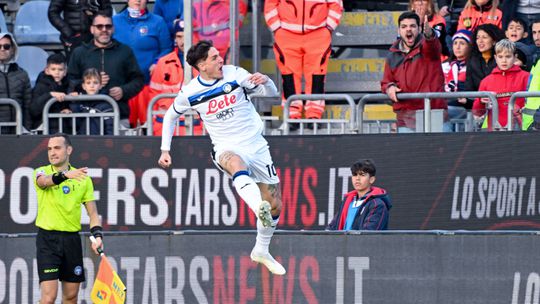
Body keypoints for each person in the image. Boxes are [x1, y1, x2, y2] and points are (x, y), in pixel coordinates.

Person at [158, 40, 286, 275]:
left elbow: (272, 95)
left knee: (276, 205)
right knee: (235, 163)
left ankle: (261, 249)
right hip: (226, 147)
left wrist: (266, 81)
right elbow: (170, 116)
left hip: (256, 144)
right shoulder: (190, 92)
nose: (221, 61)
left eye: (219, 56)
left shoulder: (235, 74)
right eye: (215, 58)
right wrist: (165, 149)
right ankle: (257, 206)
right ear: (202, 65)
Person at [34, 134, 103, 304]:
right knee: (49, 298)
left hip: (72, 241)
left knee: (71, 297)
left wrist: (98, 236)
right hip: (48, 241)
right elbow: (43, 182)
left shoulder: (83, 179)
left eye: (57, 148)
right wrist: (65, 175)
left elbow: (93, 213)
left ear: (69, 150)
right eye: (49, 149)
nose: (52, 152)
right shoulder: (41, 171)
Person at [264, 0, 343, 121]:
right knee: (289, 76)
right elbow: (270, 3)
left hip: (318, 33)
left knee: (317, 76)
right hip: (286, 34)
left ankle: (314, 114)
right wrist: (277, 28)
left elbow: (336, 4)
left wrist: (328, 28)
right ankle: (292, 114)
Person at [68, 13, 144, 129]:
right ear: (92, 29)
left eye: (108, 26)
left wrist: (123, 91)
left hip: (119, 115)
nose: (104, 30)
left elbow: (138, 79)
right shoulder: (79, 53)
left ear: (113, 29)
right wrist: (91, 83)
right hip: (85, 118)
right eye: (99, 26)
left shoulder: (125, 51)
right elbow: (70, 81)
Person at [381, 11, 450, 132]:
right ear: (399, 31)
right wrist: (389, 87)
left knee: (440, 151)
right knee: (410, 151)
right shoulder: (392, 54)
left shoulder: (428, 46)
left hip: (434, 113)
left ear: (419, 29)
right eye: (404, 26)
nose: (408, 30)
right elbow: (386, 81)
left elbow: (433, 47)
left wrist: (430, 35)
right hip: (406, 117)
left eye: (412, 26)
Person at [113, 0, 172, 127]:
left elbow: (167, 49)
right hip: (122, 87)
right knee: (123, 128)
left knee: (147, 128)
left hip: (147, 86)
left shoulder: (157, 22)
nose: (138, 0)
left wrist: (157, 62)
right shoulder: (114, 21)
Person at [148, 19, 203, 136]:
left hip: (196, 128)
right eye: (179, 36)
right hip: (165, 128)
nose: (183, 41)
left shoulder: (205, 63)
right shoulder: (163, 63)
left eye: (186, 36)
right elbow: (153, 97)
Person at [472, 39, 529, 130]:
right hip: (494, 132)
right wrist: (480, 101)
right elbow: (477, 113)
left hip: (521, 130)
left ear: (515, 57)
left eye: (508, 56)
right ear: (495, 58)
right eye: (500, 56)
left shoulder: (526, 77)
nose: (504, 60)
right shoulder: (486, 81)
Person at [327, 159, 392, 231]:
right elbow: (331, 229)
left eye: (362, 175)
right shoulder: (347, 201)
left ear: (372, 179)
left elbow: (367, 235)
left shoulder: (377, 204)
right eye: (354, 174)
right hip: (343, 242)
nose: (357, 178)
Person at [48, 0, 112, 60]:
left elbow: (108, 10)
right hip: (73, 37)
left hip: (94, 36)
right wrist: (68, 33)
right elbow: (53, 12)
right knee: (74, 67)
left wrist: (95, 14)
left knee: (95, 67)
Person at [30, 53, 72, 133]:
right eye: (53, 69)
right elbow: (33, 110)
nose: (57, 72)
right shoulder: (40, 86)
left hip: (64, 130)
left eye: (60, 69)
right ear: (47, 70)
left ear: (65, 72)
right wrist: (50, 95)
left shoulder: (69, 86)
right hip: (45, 131)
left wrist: (69, 109)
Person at [0, 32, 32, 133]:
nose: (2, 49)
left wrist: (26, 128)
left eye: (6, 46)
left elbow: (28, 104)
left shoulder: (22, 74)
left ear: (13, 49)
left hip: (17, 130)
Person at [442, 29, 473, 129]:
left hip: (465, 109)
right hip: (447, 107)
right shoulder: (444, 66)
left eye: (462, 43)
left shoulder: (473, 66)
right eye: (455, 43)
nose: (457, 46)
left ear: (470, 46)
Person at [70, 68, 114, 134]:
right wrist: (74, 102)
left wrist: (109, 142)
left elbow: (110, 127)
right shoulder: (79, 103)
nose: (92, 86)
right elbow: (74, 124)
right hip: (81, 141)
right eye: (88, 83)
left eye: (95, 83)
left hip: (100, 142)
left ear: (100, 86)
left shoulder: (106, 104)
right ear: (83, 86)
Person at [464, 24, 505, 93]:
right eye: (478, 38)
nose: (480, 41)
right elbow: (469, 88)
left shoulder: (503, 58)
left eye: (484, 37)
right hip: (477, 99)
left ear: (494, 41)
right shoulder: (472, 60)